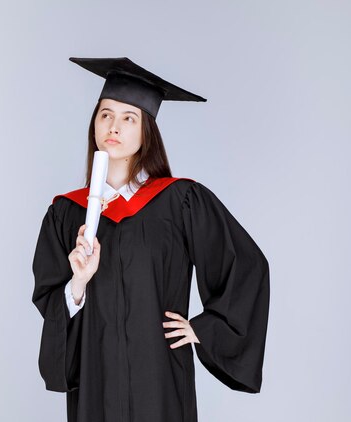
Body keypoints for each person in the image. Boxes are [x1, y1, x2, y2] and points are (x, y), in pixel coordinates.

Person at [31, 57, 270, 422]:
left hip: (159, 378)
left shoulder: (180, 202)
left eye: (129, 118)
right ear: (94, 123)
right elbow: (52, 305)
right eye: (105, 114)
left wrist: (205, 328)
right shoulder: (66, 213)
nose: (114, 126)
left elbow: (247, 266)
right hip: (96, 384)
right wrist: (77, 283)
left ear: (147, 132)